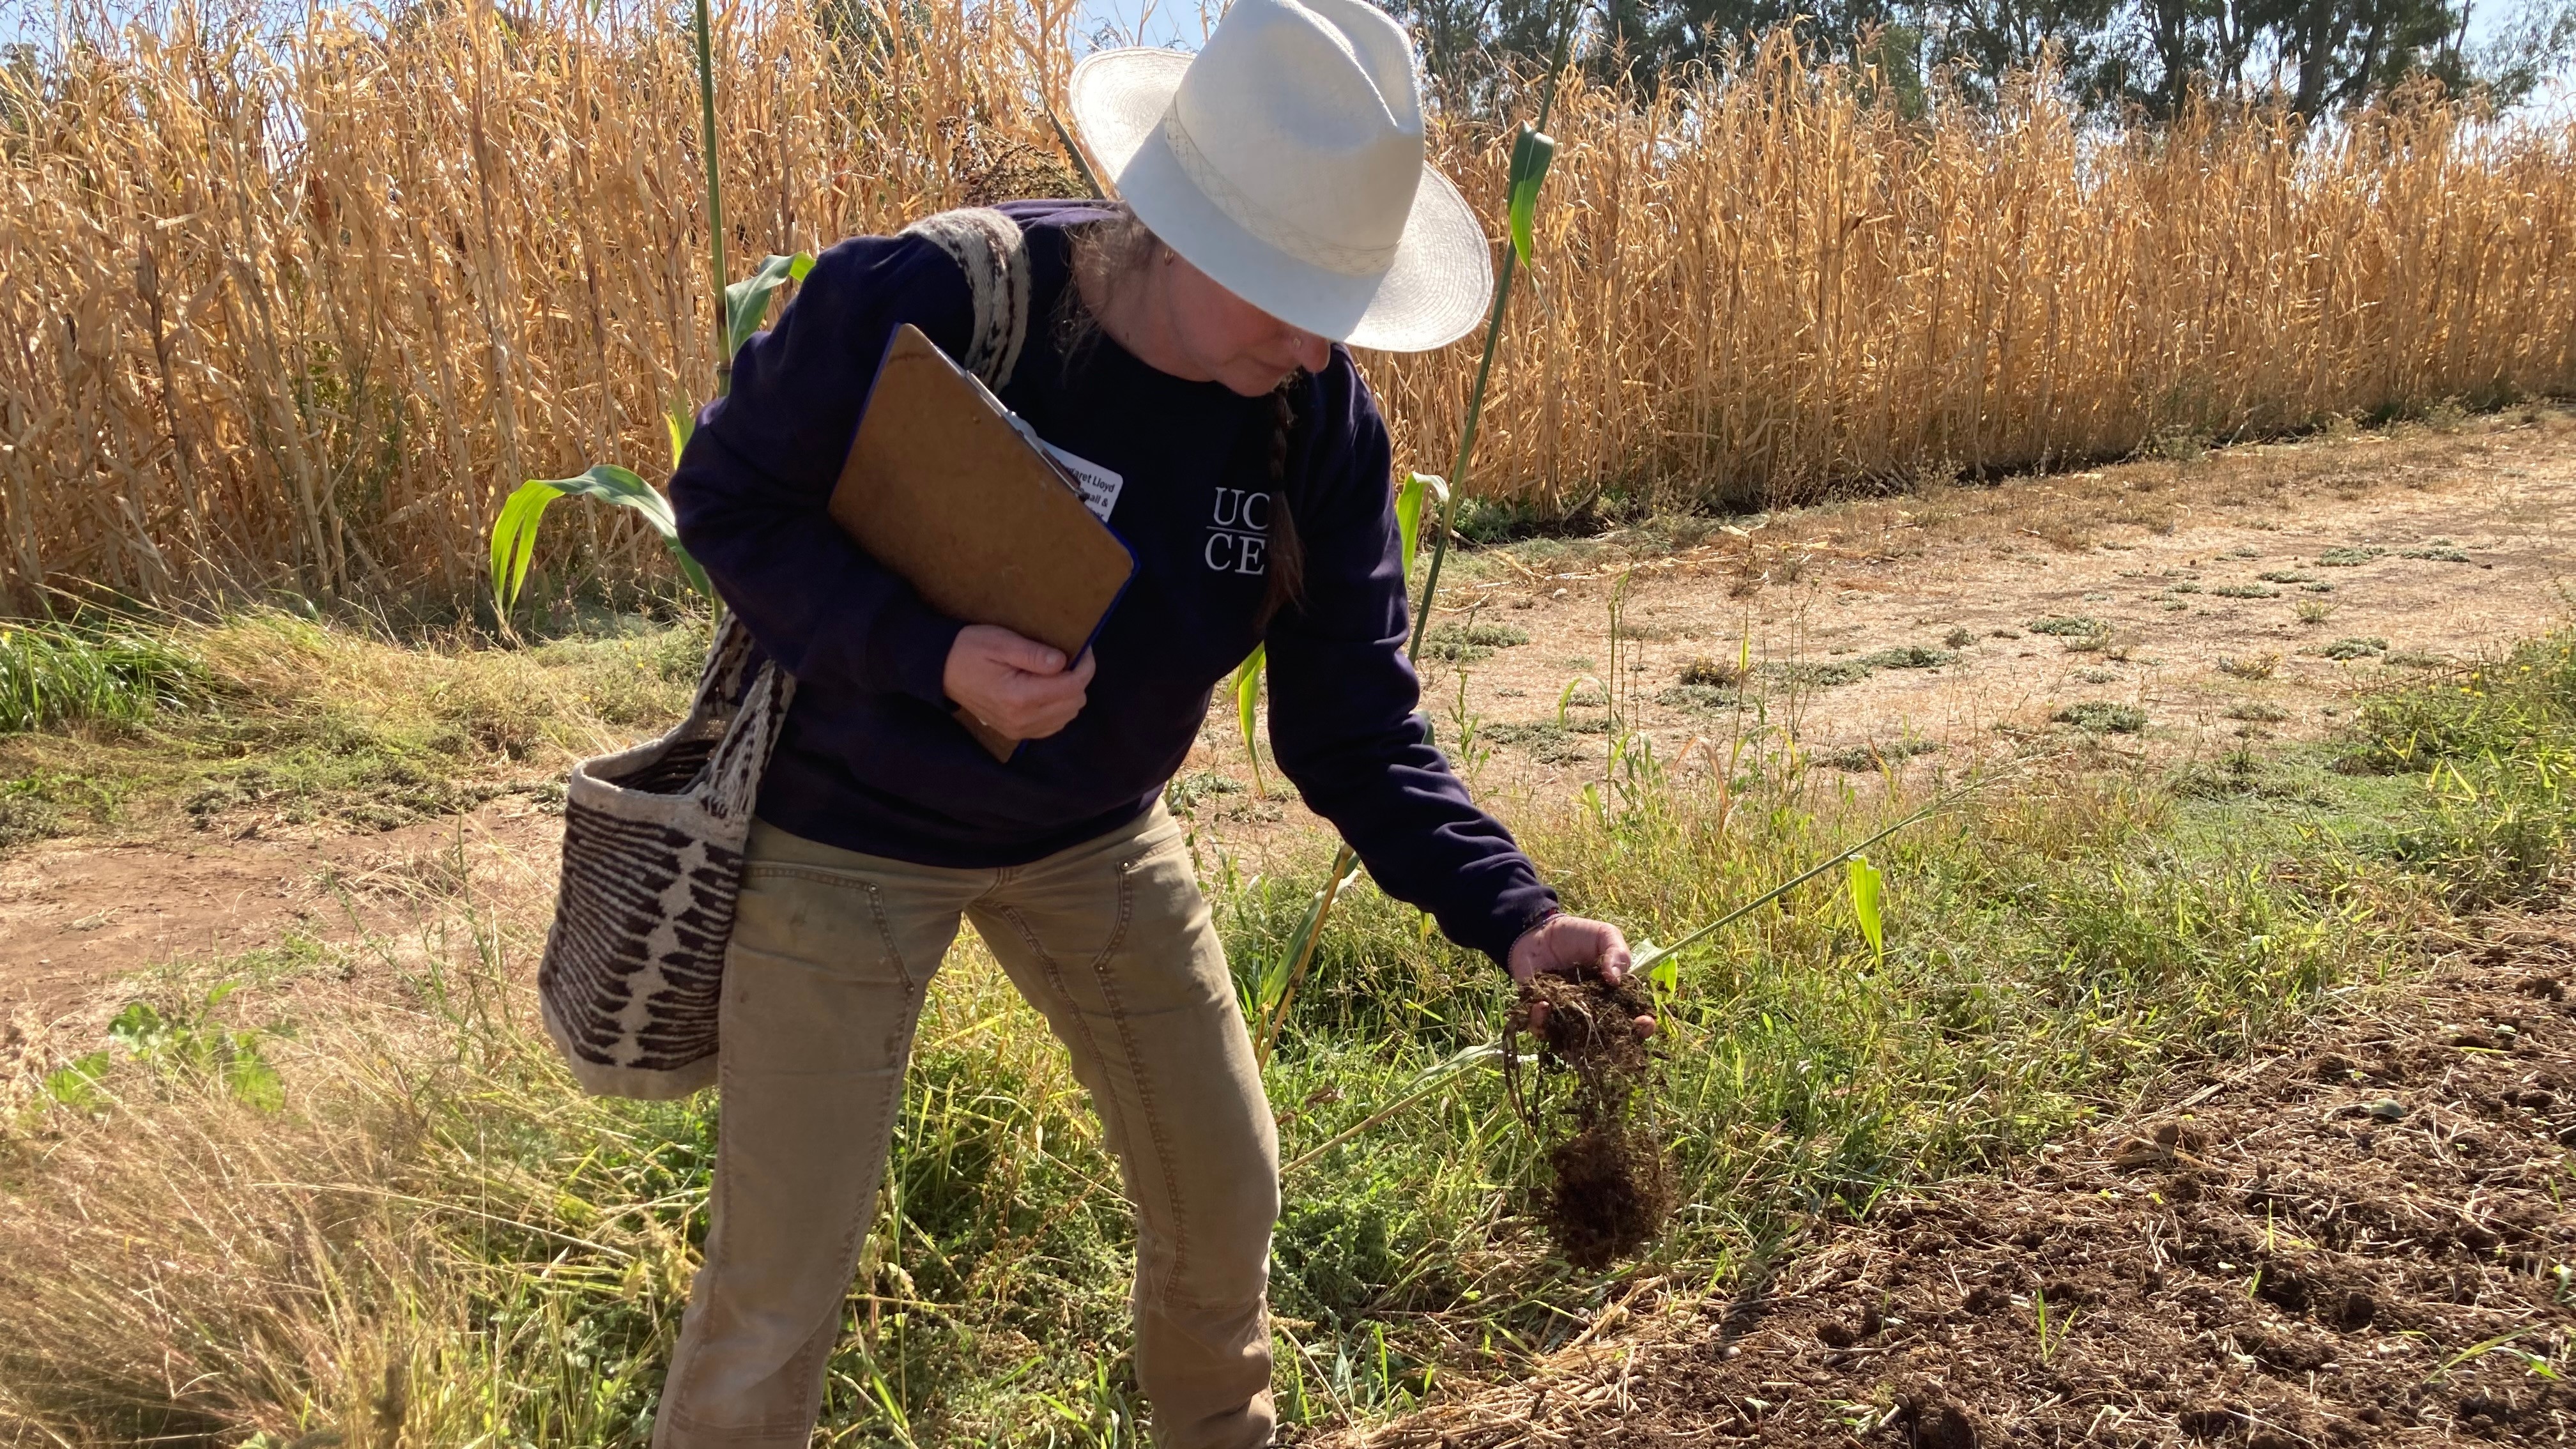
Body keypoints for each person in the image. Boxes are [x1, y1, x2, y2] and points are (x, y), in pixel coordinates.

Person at [654, 1, 1643, 1444]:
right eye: (1285, 294)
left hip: (1096, 841)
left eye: (1341, 307)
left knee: (1224, 1197)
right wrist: (929, 657)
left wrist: (1517, 914)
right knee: (779, 1278)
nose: (1313, 350)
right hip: (847, 833)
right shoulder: (935, 300)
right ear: (1173, 223)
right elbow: (727, 497)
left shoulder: (1317, 423)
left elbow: (1354, 724)